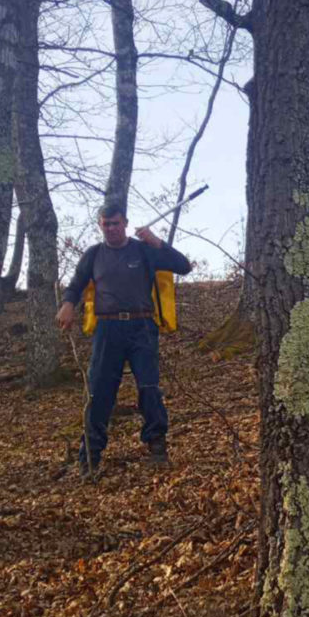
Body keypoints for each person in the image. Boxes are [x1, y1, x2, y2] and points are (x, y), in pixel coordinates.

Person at [56, 202, 192, 475]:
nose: (112, 228)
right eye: (106, 224)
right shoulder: (94, 255)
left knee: (149, 387)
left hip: (141, 326)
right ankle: (90, 456)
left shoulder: (143, 250)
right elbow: (76, 284)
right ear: (100, 225)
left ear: (125, 223)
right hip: (107, 330)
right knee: (99, 391)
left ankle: (157, 447)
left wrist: (157, 242)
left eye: (116, 223)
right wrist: (68, 303)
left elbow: (184, 266)